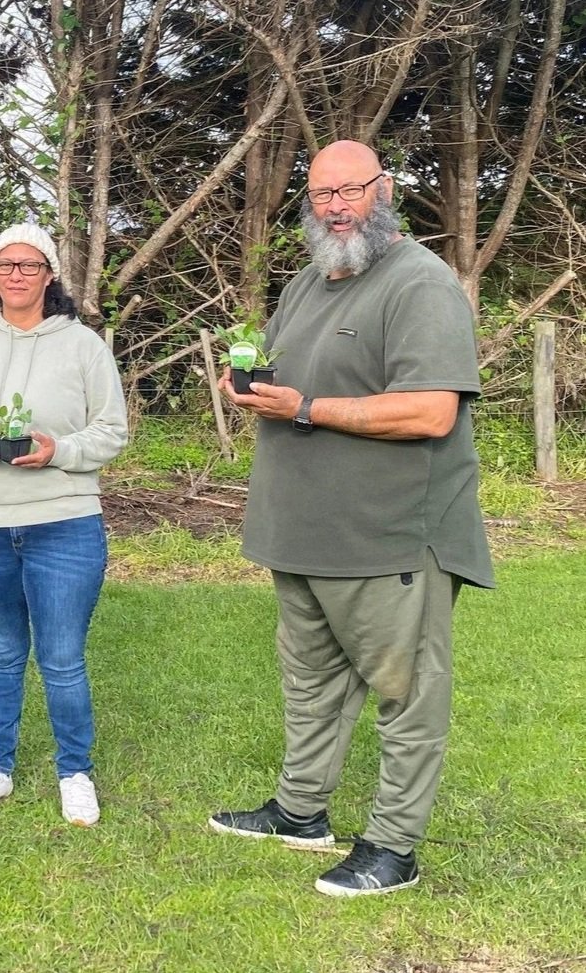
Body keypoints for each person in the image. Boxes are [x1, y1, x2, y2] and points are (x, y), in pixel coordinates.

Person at [209, 139, 492, 897]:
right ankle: (301, 812)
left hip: (387, 536)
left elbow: (430, 412)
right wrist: (257, 389)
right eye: (321, 193)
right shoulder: (310, 279)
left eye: (349, 191)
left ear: (384, 189)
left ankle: (392, 848)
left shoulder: (419, 285)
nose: (334, 206)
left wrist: (304, 407)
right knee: (309, 685)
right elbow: (294, 378)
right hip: (302, 532)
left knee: (405, 694)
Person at [0, 223, 128, 824]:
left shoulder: (84, 345)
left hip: (63, 523)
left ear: (49, 275)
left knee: (62, 657)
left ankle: (74, 771)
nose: (16, 275)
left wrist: (58, 451)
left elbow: (111, 429)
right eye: (5, 265)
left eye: (29, 265)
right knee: (3, 650)